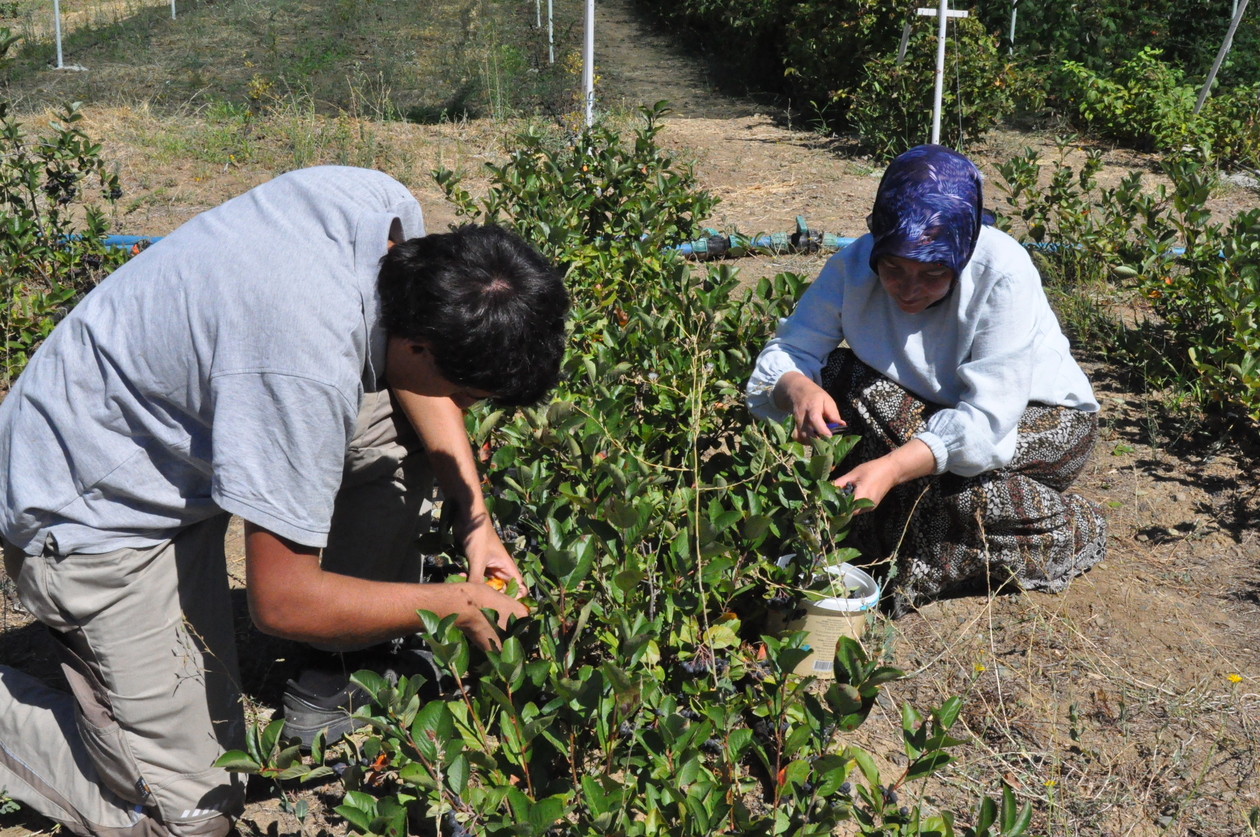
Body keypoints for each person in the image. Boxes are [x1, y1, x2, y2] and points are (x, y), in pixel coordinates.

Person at [0, 166, 569, 837]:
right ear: (423, 340)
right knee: (191, 816)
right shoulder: (302, 363)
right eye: (469, 397)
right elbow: (280, 600)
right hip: (91, 507)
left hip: (185, 431)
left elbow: (414, 376)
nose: (464, 412)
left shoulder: (386, 221)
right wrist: (453, 604)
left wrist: (476, 522)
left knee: (398, 425)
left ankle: (339, 675)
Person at [746, 145, 1105, 614]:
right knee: (831, 376)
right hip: (928, 411)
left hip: (1039, 422)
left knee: (957, 492)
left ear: (963, 253)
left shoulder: (1003, 272)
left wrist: (893, 467)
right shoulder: (853, 265)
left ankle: (1069, 527)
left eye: (933, 274)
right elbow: (790, 350)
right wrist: (797, 387)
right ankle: (903, 520)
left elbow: (986, 423)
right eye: (893, 269)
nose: (909, 289)